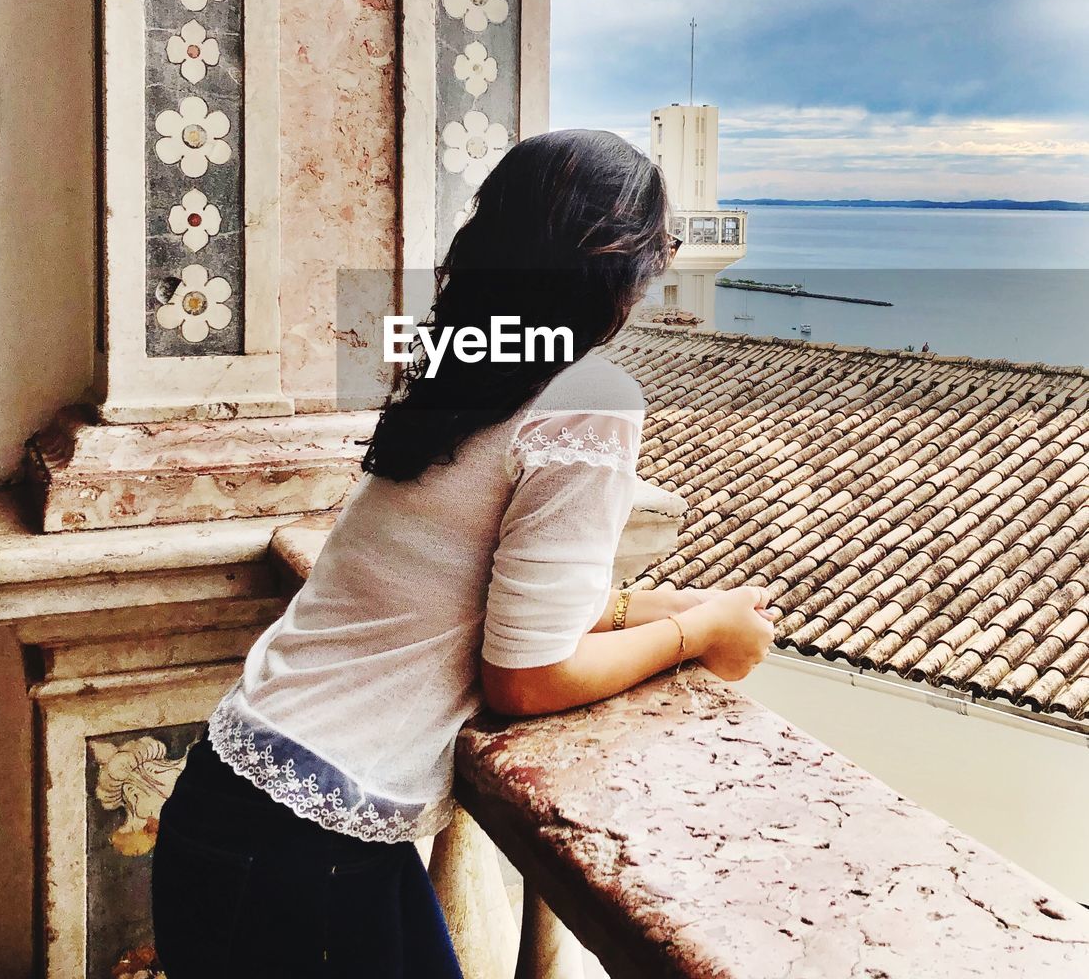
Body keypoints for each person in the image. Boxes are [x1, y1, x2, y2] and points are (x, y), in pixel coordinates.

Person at [150, 129, 776, 977]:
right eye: (660, 248)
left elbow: (459, 584)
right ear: (618, 266)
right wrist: (698, 639)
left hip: (235, 802)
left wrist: (665, 608)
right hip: (314, 848)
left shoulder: (458, 367)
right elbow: (525, 676)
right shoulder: (589, 400)